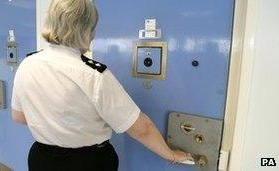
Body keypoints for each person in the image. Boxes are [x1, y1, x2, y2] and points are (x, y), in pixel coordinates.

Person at [11, 0, 193, 170]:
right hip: (88, 163)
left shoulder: (28, 64)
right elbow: (141, 129)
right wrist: (171, 155)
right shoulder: (93, 75)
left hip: (42, 159)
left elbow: (19, 117)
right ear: (86, 30)